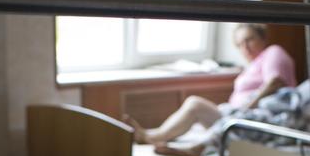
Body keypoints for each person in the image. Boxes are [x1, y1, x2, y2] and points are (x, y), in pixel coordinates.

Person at [125, 23, 296, 148]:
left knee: (195, 104)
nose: (245, 47)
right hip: (237, 115)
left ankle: (152, 137)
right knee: (196, 111)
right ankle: (153, 134)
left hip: (252, 117)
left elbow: (276, 82)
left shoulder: (273, 52)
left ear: (262, 38)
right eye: (239, 44)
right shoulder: (251, 66)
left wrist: (247, 107)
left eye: (249, 40)